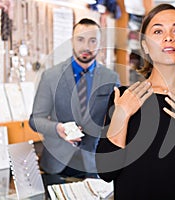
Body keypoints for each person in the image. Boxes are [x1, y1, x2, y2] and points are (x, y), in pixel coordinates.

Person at [96, 4, 175, 200]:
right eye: (158, 31)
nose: (168, 37)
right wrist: (122, 116)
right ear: (145, 46)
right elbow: (106, 172)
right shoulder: (122, 97)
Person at [29, 18, 120, 185]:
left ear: (100, 44)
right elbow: (35, 120)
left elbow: (116, 122)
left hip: (95, 165)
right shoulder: (51, 76)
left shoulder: (111, 78)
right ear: (72, 40)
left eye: (93, 41)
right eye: (80, 39)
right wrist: (57, 128)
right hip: (57, 165)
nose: (86, 46)